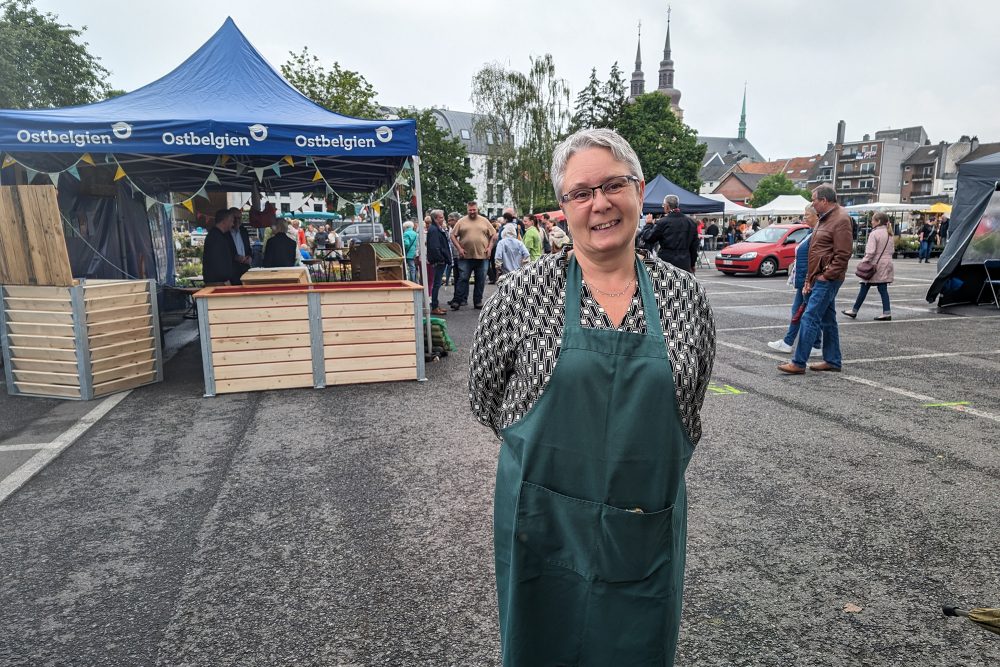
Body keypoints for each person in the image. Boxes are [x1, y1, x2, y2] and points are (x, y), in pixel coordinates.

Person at [471, 127, 716, 666]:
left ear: (639, 190)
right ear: (563, 207)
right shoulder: (521, 295)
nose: (599, 204)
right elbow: (486, 398)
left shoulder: (685, 297)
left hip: (643, 525)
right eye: (581, 193)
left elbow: (690, 405)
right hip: (543, 526)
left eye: (613, 185)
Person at [778, 184, 853, 374]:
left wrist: (825, 276)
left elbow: (843, 254)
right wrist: (808, 280)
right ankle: (833, 360)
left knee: (810, 317)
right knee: (828, 320)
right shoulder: (824, 219)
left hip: (827, 278)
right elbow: (815, 251)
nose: (812, 203)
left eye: (814, 200)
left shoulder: (841, 219)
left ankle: (798, 362)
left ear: (824, 201)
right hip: (819, 277)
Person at [768, 205, 822, 356]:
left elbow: (814, 258)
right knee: (800, 311)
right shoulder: (811, 232)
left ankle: (795, 343)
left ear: (816, 216)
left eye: (807, 215)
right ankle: (793, 343)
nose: (804, 218)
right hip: (804, 279)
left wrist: (808, 279)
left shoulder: (818, 233)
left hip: (808, 280)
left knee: (806, 313)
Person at [842, 211, 894, 321]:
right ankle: (886, 311)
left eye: (873, 220)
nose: (871, 222)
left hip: (875, 264)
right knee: (882, 289)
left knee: (864, 287)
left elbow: (870, 252)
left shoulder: (874, 234)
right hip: (886, 263)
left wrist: (862, 262)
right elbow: (892, 250)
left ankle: (854, 310)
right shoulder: (890, 233)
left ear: (878, 221)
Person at [449, 201, 497, 310]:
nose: (472, 212)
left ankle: (478, 301)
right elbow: (452, 235)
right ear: (467, 210)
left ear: (477, 209)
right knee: (463, 278)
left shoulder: (484, 221)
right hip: (465, 256)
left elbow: (494, 234)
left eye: (474, 210)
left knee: (480, 279)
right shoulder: (461, 221)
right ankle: (457, 301)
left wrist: (490, 248)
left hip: (482, 256)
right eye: (470, 210)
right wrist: (459, 248)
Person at [643, 195, 699, 273]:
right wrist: (692, 264)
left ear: (667, 206)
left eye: (663, 205)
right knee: (683, 284)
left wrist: (648, 224)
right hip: (684, 263)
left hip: (666, 263)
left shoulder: (663, 222)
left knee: (667, 284)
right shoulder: (691, 222)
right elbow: (694, 247)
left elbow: (648, 237)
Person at [426, 210, 451, 315]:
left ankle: (436, 305)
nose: (443, 219)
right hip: (439, 261)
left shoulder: (435, 229)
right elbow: (435, 246)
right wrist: (440, 259)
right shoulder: (434, 230)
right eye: (441, 217)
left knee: (437, 283)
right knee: (436, 284)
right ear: (436, 218)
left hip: (439, 259)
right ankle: (434, 306)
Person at [203, 209, 238, 285]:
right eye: (231, 221)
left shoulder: (220, 236)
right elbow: (217, 261)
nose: (232, 224)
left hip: (221, 281)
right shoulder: (215, 237)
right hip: (217, 282)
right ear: (224, 221)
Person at [227, 207, 252, 285]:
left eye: (239, 218)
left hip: (245, 269)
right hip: (232, 271)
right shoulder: (225, 233)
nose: (237, 220)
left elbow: (248, 248)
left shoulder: (244, 231)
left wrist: (250, 257)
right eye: (235, 218)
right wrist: (235, 257)